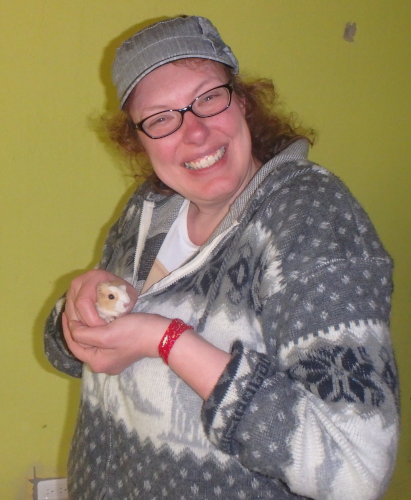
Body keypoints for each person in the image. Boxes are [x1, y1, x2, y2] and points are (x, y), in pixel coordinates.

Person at [44, 15, 399, 500]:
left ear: (242, 101)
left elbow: (356, 467)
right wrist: (79, 311)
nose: (194, 133)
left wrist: (166, 340)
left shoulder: (309, 218)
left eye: (207, 98)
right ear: (138, 139)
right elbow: (73, 357)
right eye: (161, 118)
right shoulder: (149, 208)